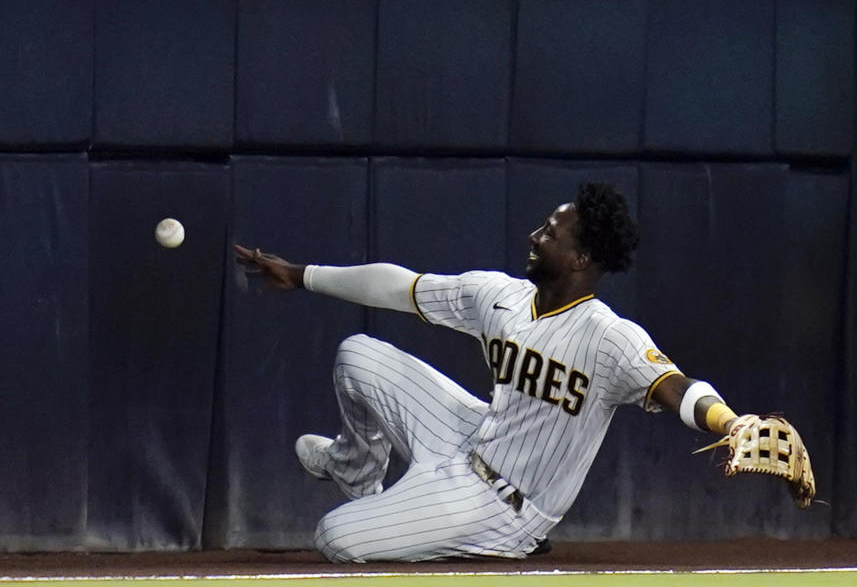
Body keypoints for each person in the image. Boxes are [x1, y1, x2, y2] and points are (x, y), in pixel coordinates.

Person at [235, 182, 740, 562]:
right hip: (470, 438)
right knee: (356, 355)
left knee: (334, 537)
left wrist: (730, 423)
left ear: (580, 257)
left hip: (504, 506)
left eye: (551, 234)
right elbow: (399, 287)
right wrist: (303, 275)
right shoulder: (500, 296)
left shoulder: (610, 338)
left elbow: (677, 388)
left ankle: (491, 541)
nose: (535, 236)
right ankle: (355, 466)